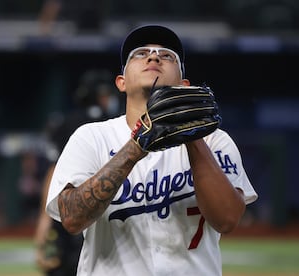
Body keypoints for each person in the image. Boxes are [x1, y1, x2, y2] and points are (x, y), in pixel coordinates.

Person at [45, 24, 258, 275]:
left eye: (167, 55)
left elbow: (227, 219)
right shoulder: (91, 137)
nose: (154, 56)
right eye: (140, 53)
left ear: (184, 82)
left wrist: (193, 136)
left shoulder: (214, 141)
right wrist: (135, 148)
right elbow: (72, 219)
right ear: (121, 82)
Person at [34, 69, 121, 275]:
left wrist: (44, 223)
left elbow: (54, 174)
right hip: (111, 215)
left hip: (72, 217)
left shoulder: (65, 123)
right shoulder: (118, 123)